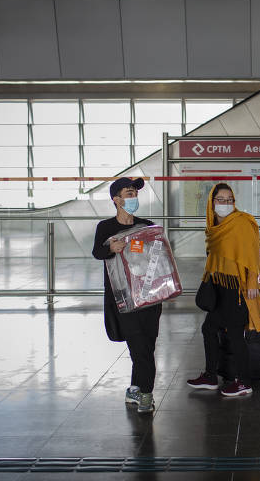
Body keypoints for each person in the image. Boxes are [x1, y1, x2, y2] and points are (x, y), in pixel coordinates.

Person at [187, 183, 260, 397]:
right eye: (220, 199)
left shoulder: (242, 222)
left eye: (229, 199)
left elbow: (252, 252)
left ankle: (244, 382)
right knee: (209, 329)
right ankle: (210, 376)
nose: (226, 203)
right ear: (211, 203)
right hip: (219, 287)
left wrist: (252, 281)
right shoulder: (214, 227)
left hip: (238, 288)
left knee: (235, 335)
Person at [92, 177, 162, 414]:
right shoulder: (105, 228)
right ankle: (146, 395)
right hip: (123, 298)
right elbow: (97, 252)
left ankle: (135, 389)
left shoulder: (146, 226)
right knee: (139, 347)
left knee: (146, 346)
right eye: (129, 193)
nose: (134, 198)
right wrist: (111, 248)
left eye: (135, 194)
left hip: (148, 296)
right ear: (117, 200)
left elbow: (158, 254)